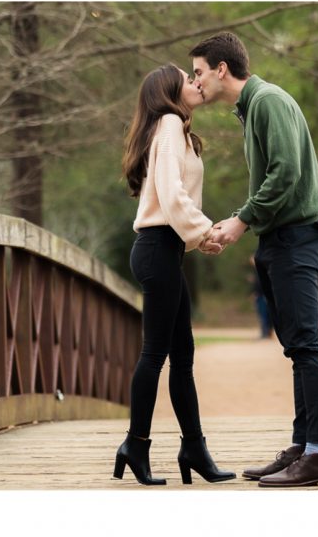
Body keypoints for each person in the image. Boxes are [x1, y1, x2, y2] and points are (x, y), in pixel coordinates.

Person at [191, 32, 318, 488]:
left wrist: (240, 220)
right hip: (281, 239)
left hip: (296, 237)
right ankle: (303, 444)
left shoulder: (268, 101)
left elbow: (285, 173)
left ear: (221, 69)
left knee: (307, 346)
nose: (196, 83)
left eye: (198, 73)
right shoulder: (252, 107)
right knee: (296, 347)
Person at [112, 63, 235, 486]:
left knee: (182, 358)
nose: (196, 82)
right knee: (157, 356)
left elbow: (175, 194)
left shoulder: (175, 129)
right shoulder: (167, 123)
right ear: (169, 91)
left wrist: (199, 236)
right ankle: (136, 444)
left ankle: (194, 449)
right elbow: (170, 192)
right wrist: (204, 234)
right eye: (188, 79)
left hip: (166, 249)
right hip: (156, 248)